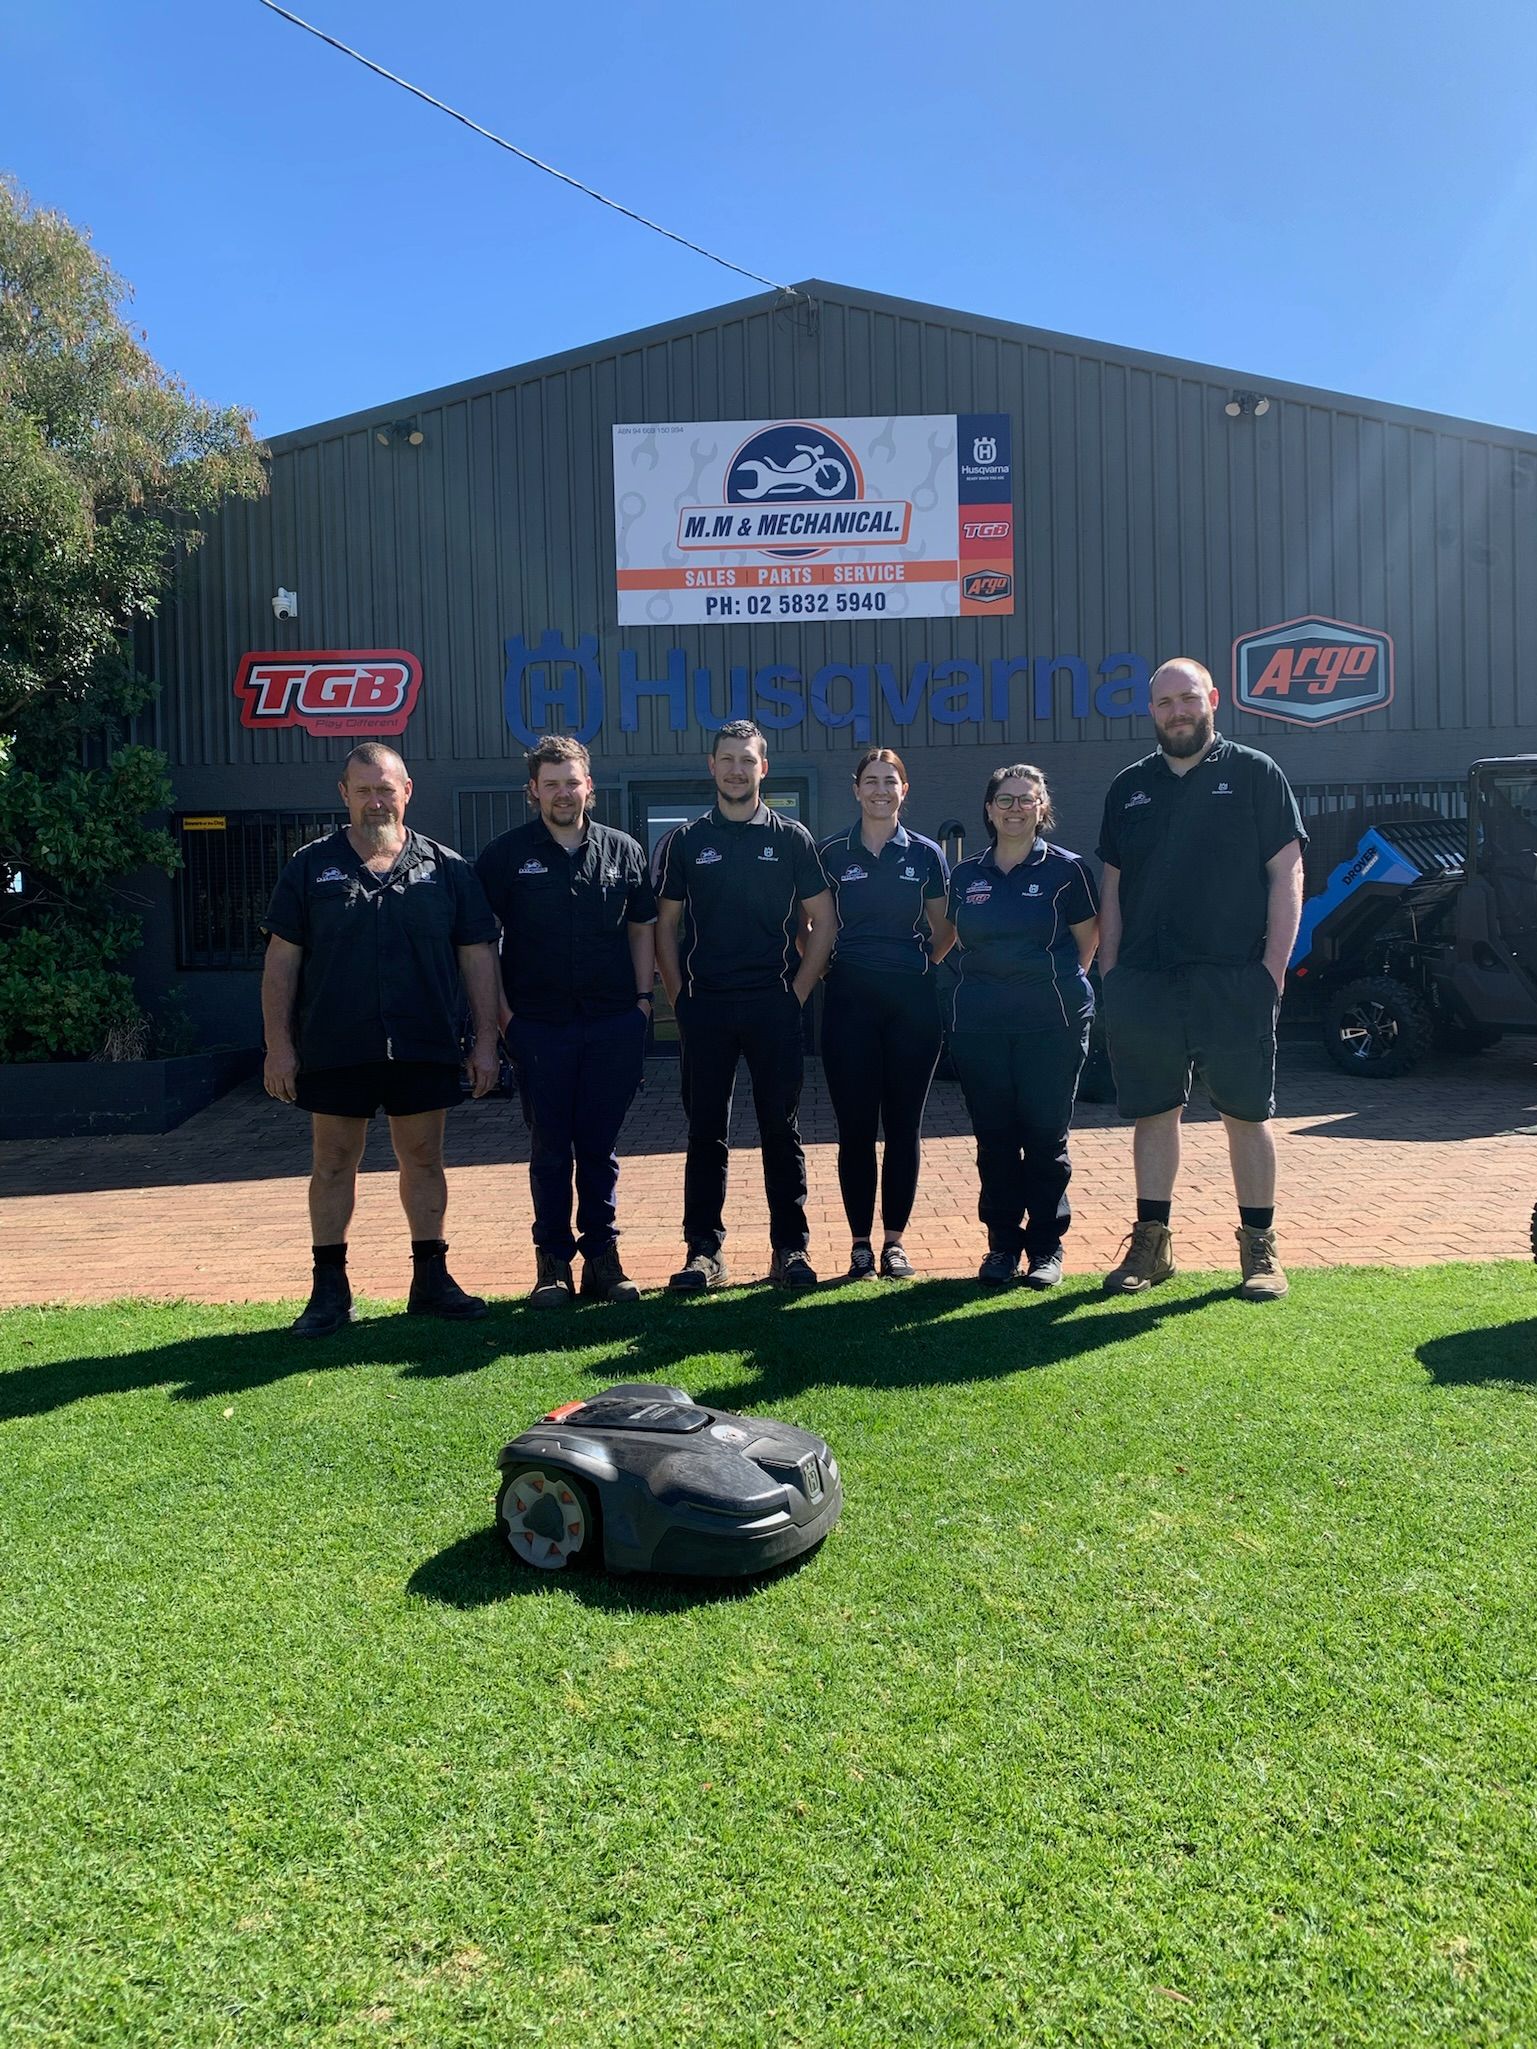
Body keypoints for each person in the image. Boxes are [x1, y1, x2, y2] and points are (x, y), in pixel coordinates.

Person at [261, 742, 501, 1336]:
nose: (376, 801)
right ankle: (329, 1292)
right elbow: (281, 964)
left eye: (385, 788)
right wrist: (279, 1046)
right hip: (334, 1045)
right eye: (363, 789)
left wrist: (487, 1042)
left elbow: (478, 959)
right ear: (344, 794)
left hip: (424, 1042)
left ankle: (431, 1279)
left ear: (407, 791)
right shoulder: (310, 867)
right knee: (333, 1162)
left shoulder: (448, 869)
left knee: (424, 1158)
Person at [1096, 656, 1307, 1300]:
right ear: (1150, 711)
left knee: (1247, 1112)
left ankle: (1259, 1250)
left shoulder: (1254, 774)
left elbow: (1287, 873)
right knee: (1155, 1113)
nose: (1178, 712)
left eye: (1188, 699)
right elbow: (1113, 887)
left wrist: (1271, 970)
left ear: (1212, 699)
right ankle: (1152, 1247)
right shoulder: (1128, 787)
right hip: (1147, 981)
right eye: (1164, 703)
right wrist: (1112, 971)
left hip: (1233, 977)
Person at [474, 734, 657, 1307]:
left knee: (599, 1148)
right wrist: (503, 1018)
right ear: (533, 791)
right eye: (550, 783)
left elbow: (642, 928)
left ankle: (603, 1260)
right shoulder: (504, 857)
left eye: (571, 782)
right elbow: (481, 943)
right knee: (550, 1147)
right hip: (539, 1027)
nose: (562, 792)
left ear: (590, 787)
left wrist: (643, 1003)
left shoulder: (623, 850)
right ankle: (552, 1263)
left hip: (611, 1023)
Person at [655, 720, 838, 1289]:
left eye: (747, 760)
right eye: (727, 759)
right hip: (706, 1007)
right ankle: (703, 1254)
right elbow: (665, 927)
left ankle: (790, 1251)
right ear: (711, 766)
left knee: (780, 1131)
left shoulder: (792, 839)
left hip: (773, 1007)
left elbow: (826, 923)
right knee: (705, 1132)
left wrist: (797, 995)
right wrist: (679, 999)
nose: (737, 769)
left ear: (764, 768)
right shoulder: (686, 842)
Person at [943, 764, 1100, 1288]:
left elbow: (1087, 943)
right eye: (1004, 800)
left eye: (1026, 800)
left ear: (1042, 809)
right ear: (988, 810)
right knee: (994, 1140)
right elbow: (956, 941)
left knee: (1044, 1138)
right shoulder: (964, 876)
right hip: (981, 1026)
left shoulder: (1068, 870)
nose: (1015, 809)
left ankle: (1047, 1247)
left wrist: (1047, 983)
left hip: (1050, 1024)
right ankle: (1002, 1246)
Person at [816, 749, 954, 1279]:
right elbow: (811, 926)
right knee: (854, 1129)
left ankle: (894, 1242)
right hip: (849, 999)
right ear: (856, 790)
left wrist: (915, 964)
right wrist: (830, 970)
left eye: (890, 781)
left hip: (912, 1004)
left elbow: (945, 928)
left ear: (904, 789)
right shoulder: (831, 853)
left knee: (903, 1127)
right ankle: (858, 1244)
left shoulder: (925, 855)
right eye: (870, 781)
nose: (880, 789)